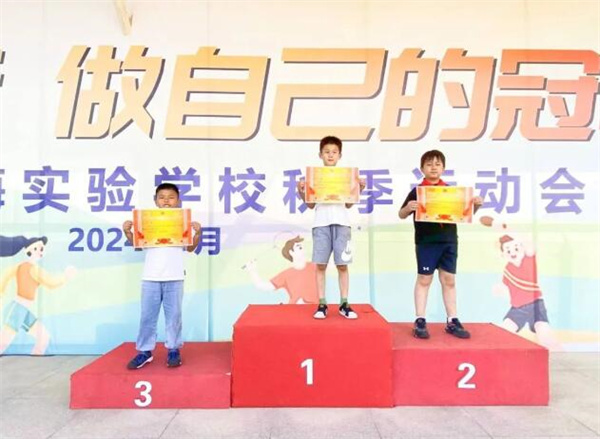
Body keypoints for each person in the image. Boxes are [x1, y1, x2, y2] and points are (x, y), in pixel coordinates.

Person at [398, 150, 482, 339]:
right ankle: (420, 320)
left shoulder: (451, 192)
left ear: (443, 168)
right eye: (429, 164)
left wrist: (476, 205)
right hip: (426, 242)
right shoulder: (417, 191)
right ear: (422, 169)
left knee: (449, 280)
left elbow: (465, 214)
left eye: (437, 164)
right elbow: (401, 214)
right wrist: (408, 208)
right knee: (424, 279)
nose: (433, 168)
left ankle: (452, 320)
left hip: (449, 241)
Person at [123, 183, 201, 369]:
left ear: (178, 200)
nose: (166, 201)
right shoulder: (147, 222)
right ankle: (144, 351)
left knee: (174, 317)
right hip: (150, 277)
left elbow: (190, 248)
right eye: (162, 197)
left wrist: (198, 233)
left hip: (175, 277)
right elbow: (138, 245)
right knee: (147, 317)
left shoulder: (181, 223)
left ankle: (173, 349)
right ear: (155, 200)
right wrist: (128, 232)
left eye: (171, 197)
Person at [297, 135, 365, 319]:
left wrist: (360, 189)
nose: (330, 155)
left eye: (334, 152)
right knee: (321, 265)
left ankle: (344, 303)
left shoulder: (346, 177)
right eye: (326, 152)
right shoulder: (314, 177)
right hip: (321, 224)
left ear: (339, 155)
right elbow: (310, 204)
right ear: (320, 154)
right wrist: (300, 190)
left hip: (342, 224)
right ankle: (322, 304)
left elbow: (348, 204)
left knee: (342, 265)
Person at [481, 216, 561, 350]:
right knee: (505, 331)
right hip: (518, 308)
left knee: (544, 334)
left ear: (522, 248)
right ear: (502, 254)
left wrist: (506, 228)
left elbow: (527, 242)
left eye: (516, 248)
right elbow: (505, 287)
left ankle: (561, 355)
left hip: (536, 305)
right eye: (508, 250)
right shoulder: (507, 269)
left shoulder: (529, 258)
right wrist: (499, 289)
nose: (512, 252)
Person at [0, 235, 76, 355]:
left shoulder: (25, 267)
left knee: (43, 337)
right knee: (3, 342)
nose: (40, 251)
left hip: (23, 310)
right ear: (29, 251)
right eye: (37, 249)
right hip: (17, 310)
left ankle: (36, 355)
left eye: (41, 249)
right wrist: (65, 277)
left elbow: (5, 277)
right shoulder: (32, 269)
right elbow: (51, 282)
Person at [244, 236, 319, 304]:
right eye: (300, 248)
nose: (304, 250)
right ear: (291, 252)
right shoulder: (286, 274)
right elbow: (264, 285)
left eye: (303, 247)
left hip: (316, 309)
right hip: (295, 310)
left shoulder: (314, 266)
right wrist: (252, 271)